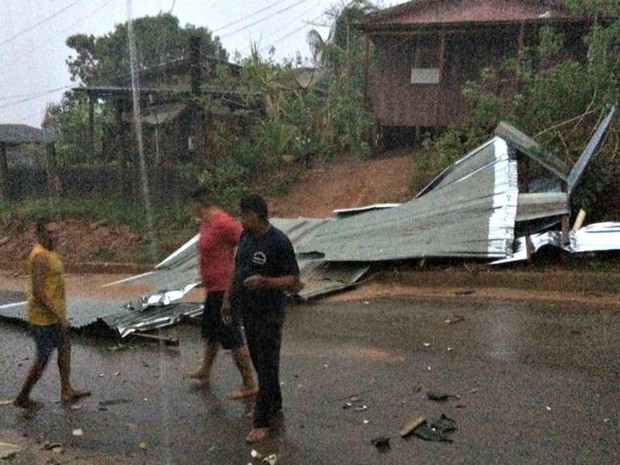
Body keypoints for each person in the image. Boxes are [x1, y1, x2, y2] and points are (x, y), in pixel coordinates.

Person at [223, 193, 302, 444]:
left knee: (267, 366)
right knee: (260, 361)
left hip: (270, 313)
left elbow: (293, 281)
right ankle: (274, 402)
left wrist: (265, 282)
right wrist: (227, 299)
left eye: (243, 215)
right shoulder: (245, 237)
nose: (240, 220)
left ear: (255, 215)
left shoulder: (279, 242)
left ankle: (261, 421)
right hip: (249, 311)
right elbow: (236, 268)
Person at [186, 188, 258, 400]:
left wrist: (242, 272)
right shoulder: (206, 222)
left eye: (192, 205)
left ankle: (249, 383)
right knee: (210, 331)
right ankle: (205, 370)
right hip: (212, 288)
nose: (190, 209)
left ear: (200, 203)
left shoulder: (223, 222)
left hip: (225, 288)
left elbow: (245, 242)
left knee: (231, 335)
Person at [14, 219, 90, 409]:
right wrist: (60, 316)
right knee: (42, 358)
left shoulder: (50, 252)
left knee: (65, 348)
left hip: (54, 315)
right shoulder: (40, 256)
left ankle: (66, 390)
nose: (54, 235)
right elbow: (39, 293)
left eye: (56, 232)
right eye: (49, 232)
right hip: (43, 318)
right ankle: (22, 397)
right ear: (40, 234)